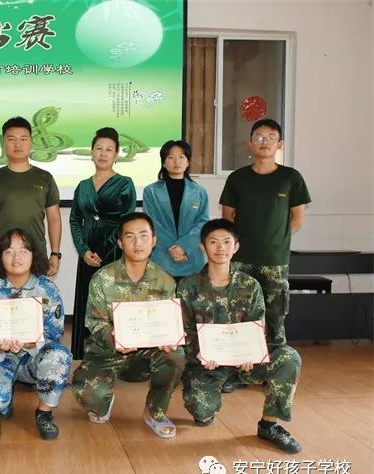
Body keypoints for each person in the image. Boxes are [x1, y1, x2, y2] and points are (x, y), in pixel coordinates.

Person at [178, 219, 302, 453]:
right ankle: (216, 388)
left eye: (227, 242)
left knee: (289, 358)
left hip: (245, 362)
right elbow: (186, 331)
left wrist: (251, 354)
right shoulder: (188, 286)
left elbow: (257, 326)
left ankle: (269, 425)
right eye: (213, 242)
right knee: (202, 414)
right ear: (203, 247)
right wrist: (202, 354)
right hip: (207, 364)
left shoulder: (250, 285)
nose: (220, 248)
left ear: (236, 247)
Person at [72, 212, 185, 439]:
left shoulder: (165, 281)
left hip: (147, 353)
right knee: (87, 393)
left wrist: (170, 338)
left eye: (144, 236)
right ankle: (103, 401)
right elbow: (94, 321)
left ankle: (155, 411)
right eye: (130, 237)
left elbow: (169, 322)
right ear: (120, 243)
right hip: (108, 351)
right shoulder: (102, 278)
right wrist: (113, 337)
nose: (137, 243)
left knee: (176, 355)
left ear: (154, 241)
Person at [219, 118, 310, 393]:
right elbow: (228, 218)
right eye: (259, 136)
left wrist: (276, 240)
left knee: (274, 317)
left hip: (275, 262)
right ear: (250, 143)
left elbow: (297, 219)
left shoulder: (291, 178)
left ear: (279, 144)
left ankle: (274, 372)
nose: (265, 141)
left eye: (271, 137)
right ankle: (235, 373)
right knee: (239, 316)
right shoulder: (237, 178)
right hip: (241, 260)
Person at [0, 228, 71, 440]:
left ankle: (44, 412)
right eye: (9, 251)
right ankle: (5, 395)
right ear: (0, 257)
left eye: (23, 251)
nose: (16, 258)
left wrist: (31, 343)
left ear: (34, 255)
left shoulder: (47, 290)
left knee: (59, 355)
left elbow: (55, 332)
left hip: (32, 360)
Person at [69, 127, 136, 360]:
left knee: (111, 303)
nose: (103, 153)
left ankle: (114, 357)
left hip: (113, 253)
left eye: (109, 149)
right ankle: (85, 357)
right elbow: (75, 220)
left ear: (116, 154)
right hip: (87, 254)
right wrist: (83, 250)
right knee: (87, 301)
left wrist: (102, 251)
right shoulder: (82, 185)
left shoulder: (125, 183)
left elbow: (126, 221)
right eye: (99, 148)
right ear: (92, 152)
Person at [0, 116, 62, 280]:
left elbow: (54, 218)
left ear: (31, 142)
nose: (17, 144)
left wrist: (55, 253)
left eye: (23, 139)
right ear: (4, 143)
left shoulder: (45, 178)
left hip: (36, 255)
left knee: (36, 297)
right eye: (11, 139)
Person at [142, 140, 209, 279]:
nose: (177, 161)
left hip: (191, 257)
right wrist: (175, 250)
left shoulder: (199, 192)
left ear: (188, 162)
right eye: (171, 157)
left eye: (181, 157)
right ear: (163, 162)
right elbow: (152, 224)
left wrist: (184, 247)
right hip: (162, 256)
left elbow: (202, 223)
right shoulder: (151, 191)